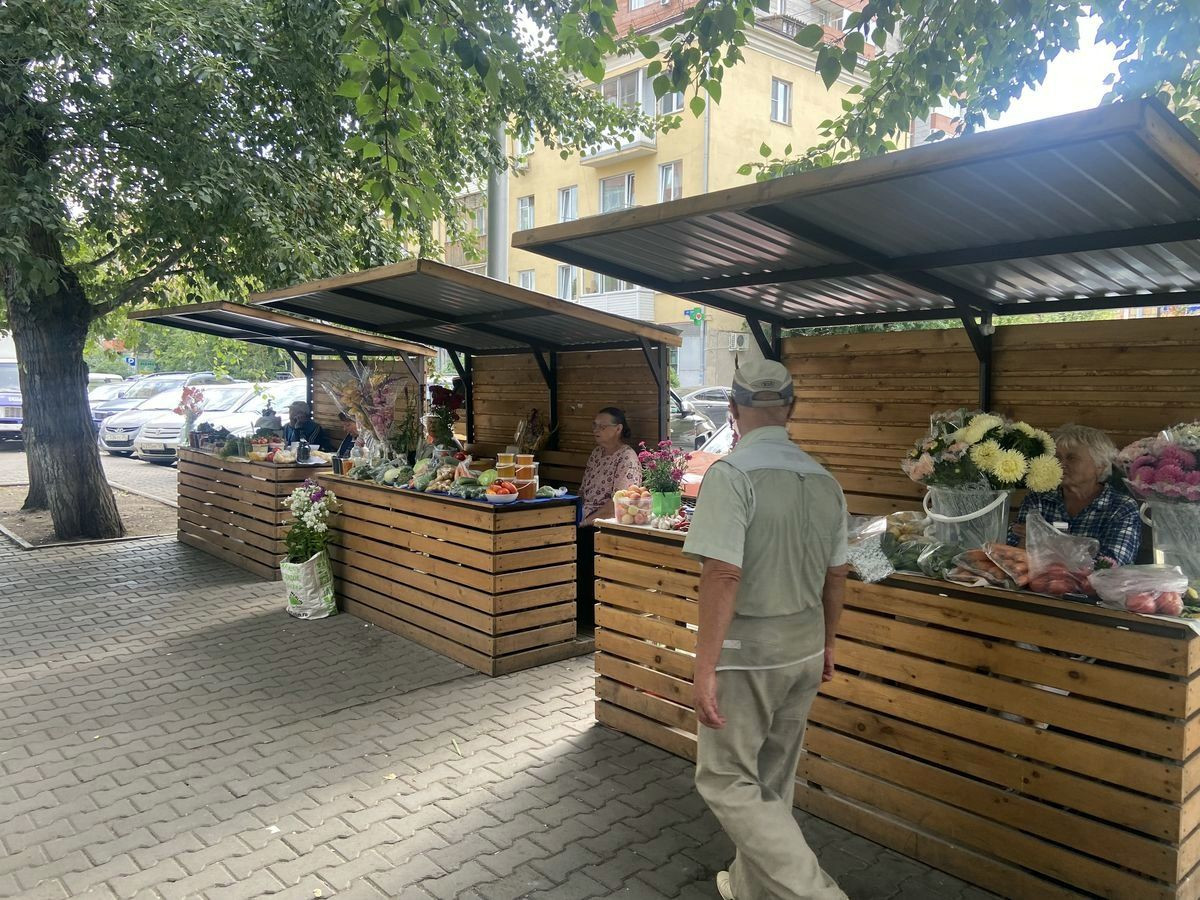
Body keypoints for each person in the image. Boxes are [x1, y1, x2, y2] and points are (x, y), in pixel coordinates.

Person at [683, 359, 849, 900]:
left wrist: (704, 666)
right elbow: (838, 574)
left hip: (748, 652)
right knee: (772, 778)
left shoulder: (731, 475)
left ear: (732, 408)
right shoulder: (825, 481)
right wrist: (828, 643)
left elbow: (722, 573)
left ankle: (815, 893)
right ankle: (752, 889)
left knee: (725, 778)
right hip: (804, 649)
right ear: (791, 408)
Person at [1007, 423, 1141, 565]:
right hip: (1032, 579)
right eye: (1057, 457)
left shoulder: (1121, 507)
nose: (1061, 464)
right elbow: (1012, 553)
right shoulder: (1038, 499)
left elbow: (1110, 564)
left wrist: (1045, 540)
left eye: (1072, 458)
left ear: (1100, 465)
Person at [575, 407, 641, 629]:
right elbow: (583, 491)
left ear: (618, 429)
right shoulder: (596, 454)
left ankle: (586, 618)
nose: (596, 430)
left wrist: (586, 521)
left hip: (604, 523)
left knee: (580, 543)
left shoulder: (626, 458)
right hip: (584, 515)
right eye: (594, 425)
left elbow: (618, 503)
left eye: (602, 426)